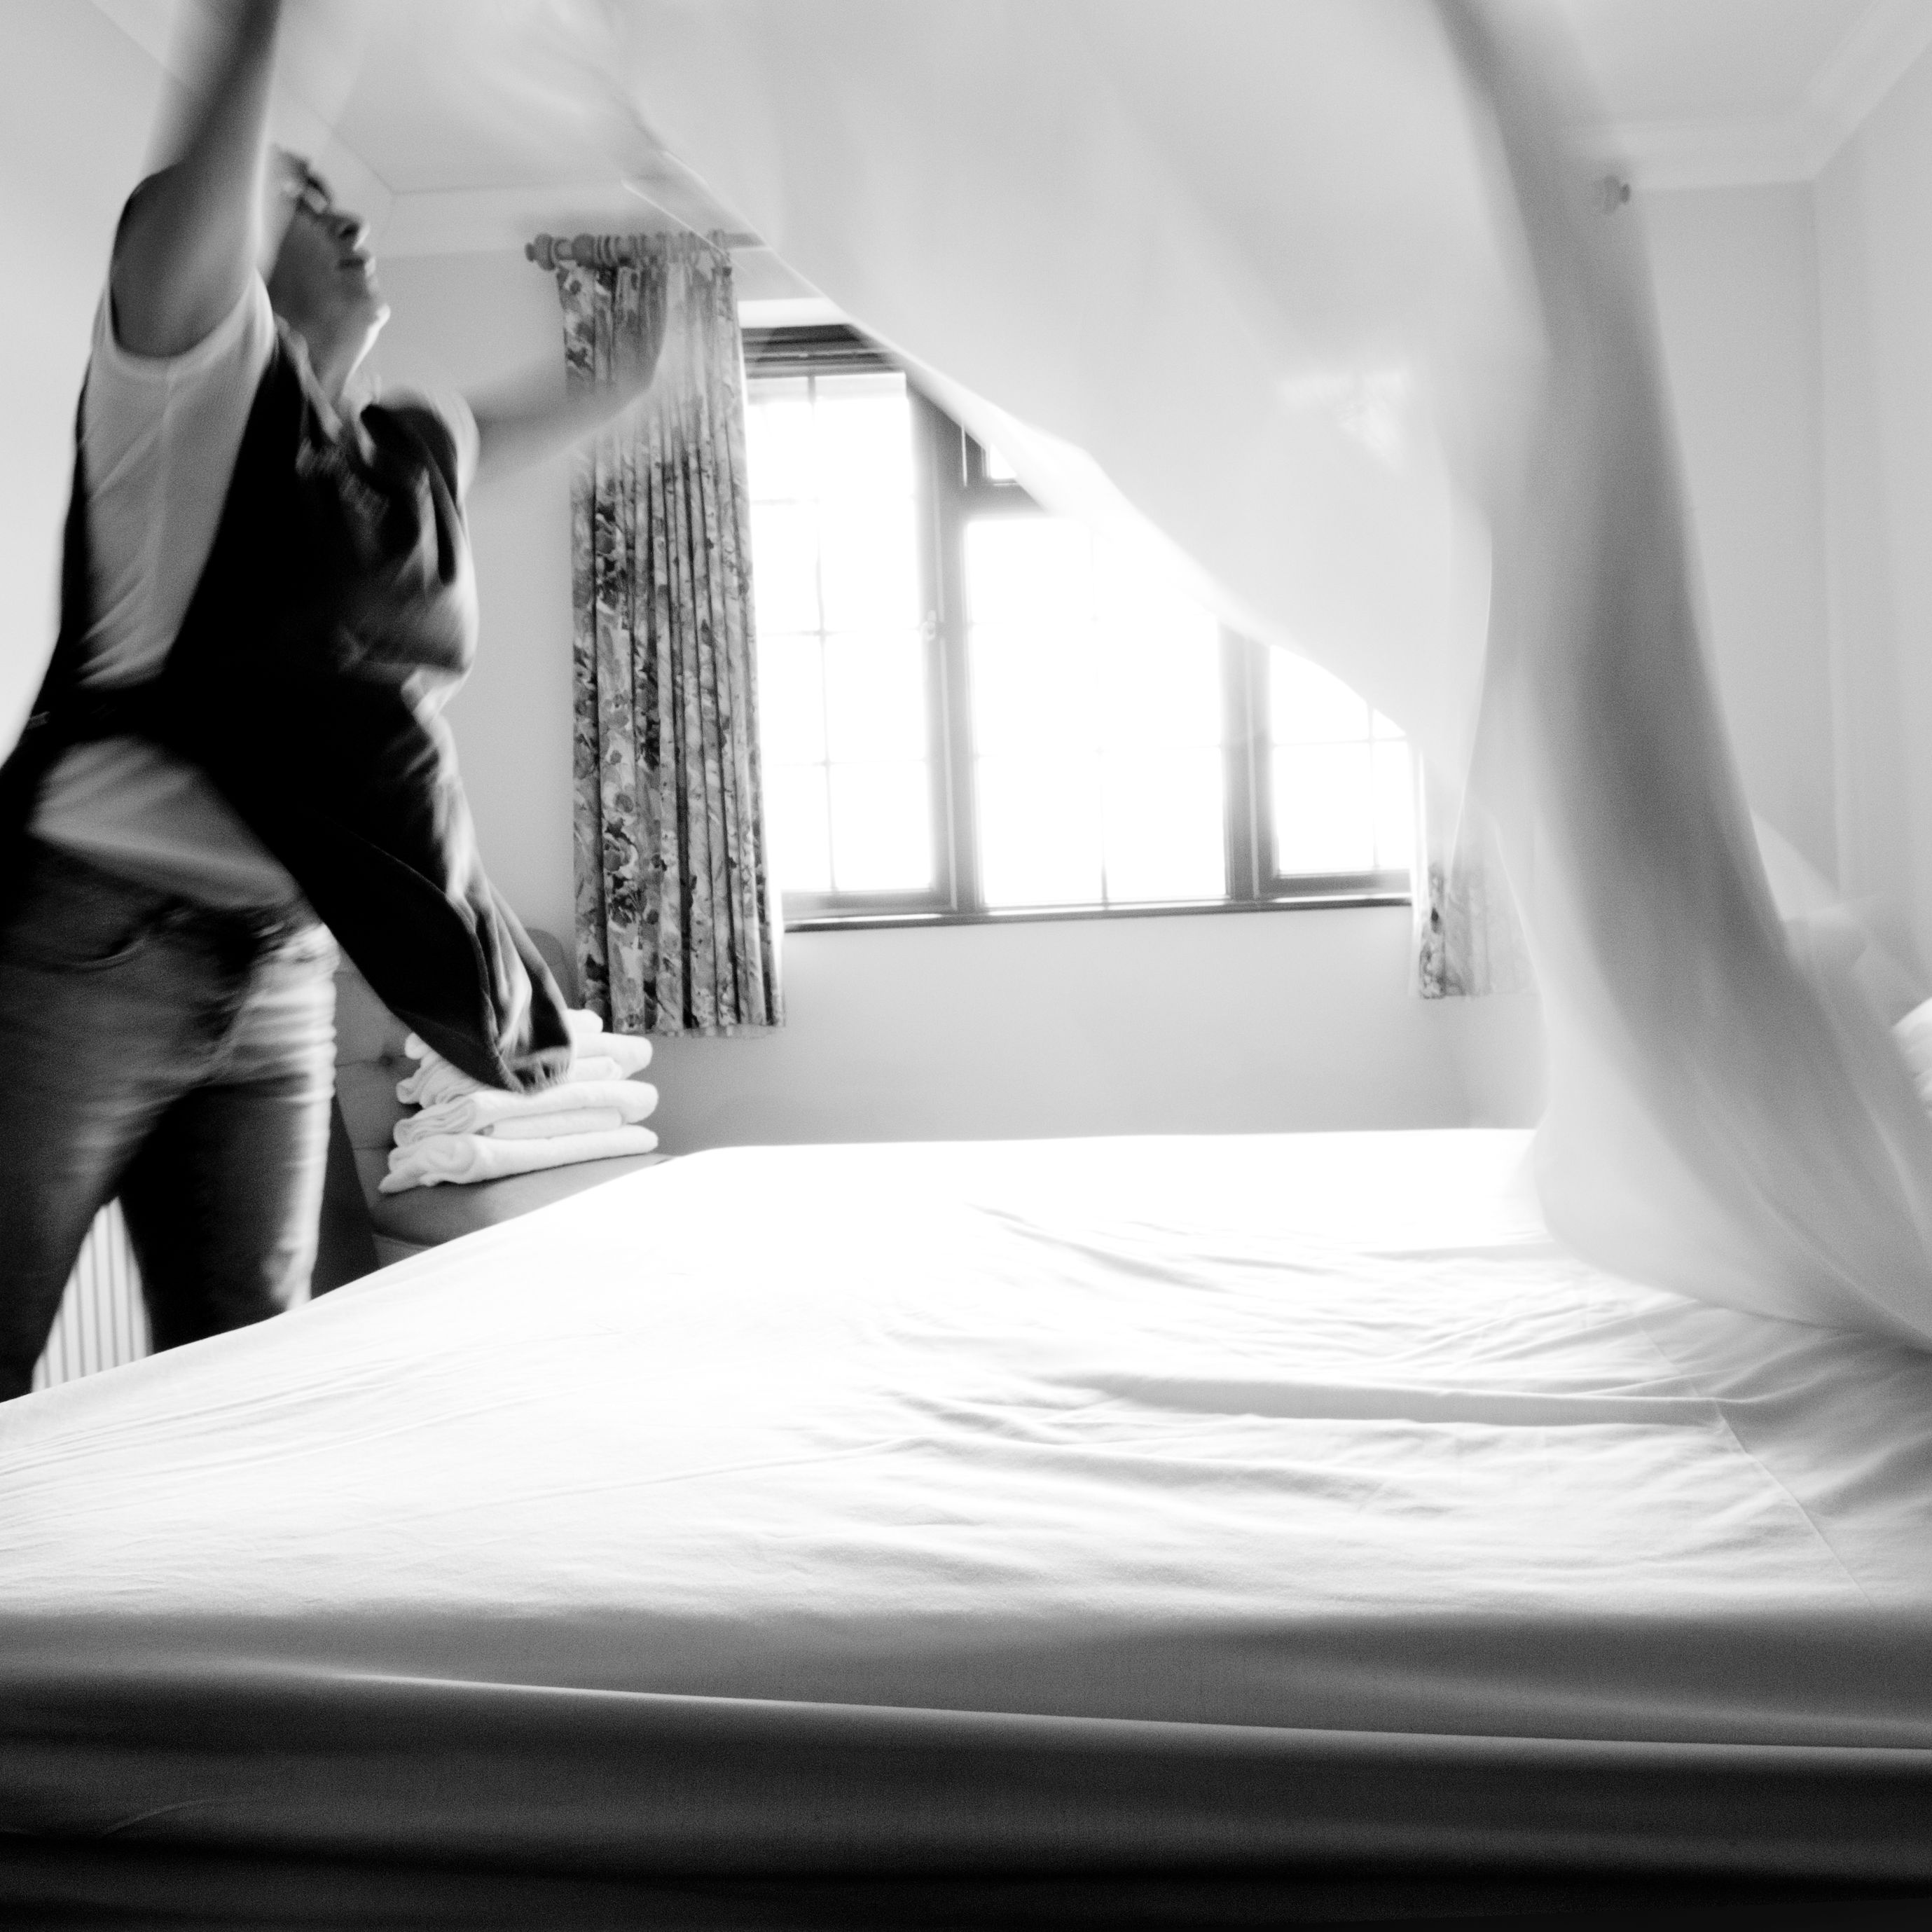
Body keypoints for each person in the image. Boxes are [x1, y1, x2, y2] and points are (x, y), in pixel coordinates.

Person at [0, 0, 657, 1400]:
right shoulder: (180, 393)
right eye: (303, 198)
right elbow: (209, 153)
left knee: (235, 1377)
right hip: (80, 950)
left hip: (282, 965)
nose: (344, 217)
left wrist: (661, 284)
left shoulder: (396, 453)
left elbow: (584, 397)